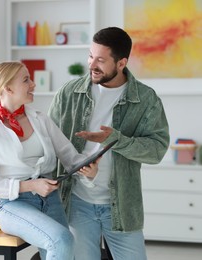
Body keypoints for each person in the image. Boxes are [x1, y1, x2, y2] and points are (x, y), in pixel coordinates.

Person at [48, 27, 170, 260]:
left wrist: (117, 140)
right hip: (77, 203)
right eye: (90, 56)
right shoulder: (69, 93)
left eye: (101, 60)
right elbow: (48, 143)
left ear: (122, 63)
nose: (92, 65)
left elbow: (156, 151)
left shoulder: (145, 99)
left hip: (122, 207)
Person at [0, 61, 99, 260]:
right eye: (26, 80)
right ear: (7, 88)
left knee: (66, 250)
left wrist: (88, 169)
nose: (33, 84)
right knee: (62, 240)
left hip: (50, 199)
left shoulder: (41, 119)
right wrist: (32, 185)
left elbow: (71, 157)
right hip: (12, 205)